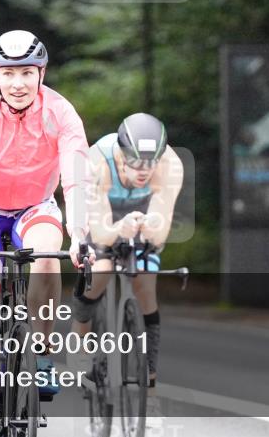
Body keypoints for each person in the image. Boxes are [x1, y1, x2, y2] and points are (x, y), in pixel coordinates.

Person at [0, 30, 93, 437]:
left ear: (42, 72)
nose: (18, 83)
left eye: (27, 72)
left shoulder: (61, 112)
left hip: (34, 208)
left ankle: (42, 353)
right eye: (8, 73)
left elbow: (76, 179)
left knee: (48, 254)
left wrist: (80, 233)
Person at [71, 113, 183, 388]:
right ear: (121, 155)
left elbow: (160, 226)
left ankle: (149, 364)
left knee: (144, 283)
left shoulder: (170, 165)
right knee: (101, 271)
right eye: (134, 161)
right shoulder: (98, 162)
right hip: (101, 215)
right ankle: (81, 329)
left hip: (141, 213)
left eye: (150, 162)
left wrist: (149, 229)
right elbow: (100, 233)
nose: (143, 169)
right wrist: (119, 228)